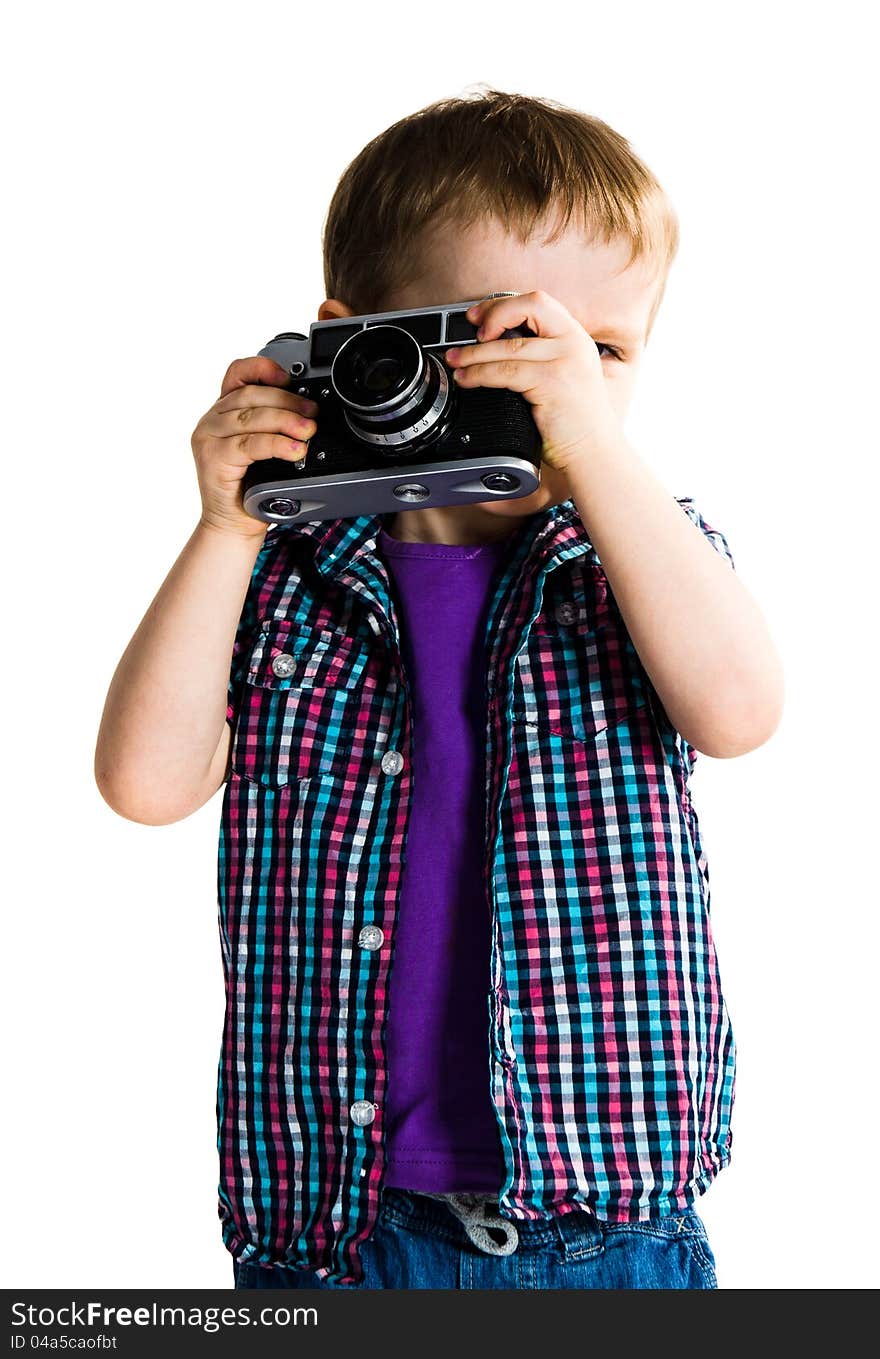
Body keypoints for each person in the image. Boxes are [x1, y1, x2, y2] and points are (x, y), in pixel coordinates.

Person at [94, 87, 784, 1291]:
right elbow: (145, 785)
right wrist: (224, 526)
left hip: (607, 1221)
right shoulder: (284, 572)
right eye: (501, 341)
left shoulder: (631, 557)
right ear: (359, 343)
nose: (549, 385)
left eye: (597, 354)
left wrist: (598, 457)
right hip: (330, 1226)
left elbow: (738, 713)